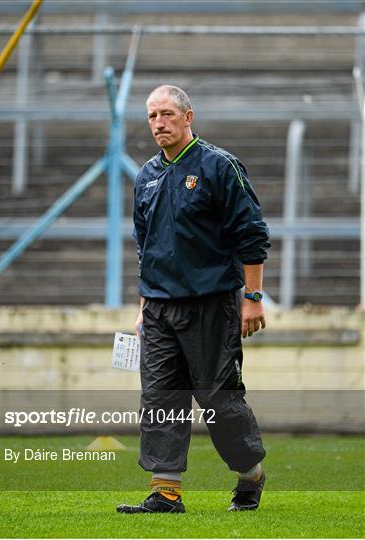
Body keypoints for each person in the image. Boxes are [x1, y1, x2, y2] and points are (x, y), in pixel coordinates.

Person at [117, 85, 270, 514]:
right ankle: (166, 492)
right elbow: (146, 247)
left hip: (212, 304)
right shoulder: (146, 175)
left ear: (188, 117)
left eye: (167, 114)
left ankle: (249, 473)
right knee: (161, 397)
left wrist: (253, 297)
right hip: (160, 308)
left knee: (219, 400)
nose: (159, 123)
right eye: (152, 116)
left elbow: (251, 233)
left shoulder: (219, 166)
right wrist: (144, 307)